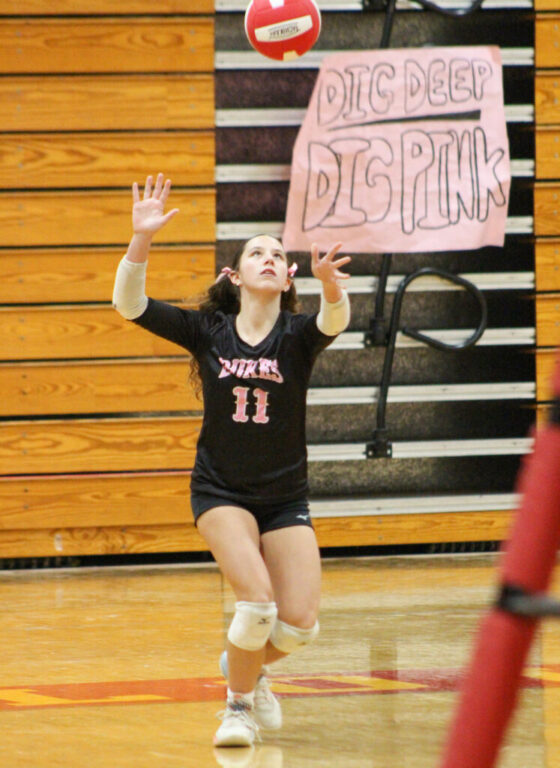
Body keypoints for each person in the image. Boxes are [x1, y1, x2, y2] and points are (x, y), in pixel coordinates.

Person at [113, 173, 351, 748]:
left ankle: (245, 665)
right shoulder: (208, 329)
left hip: (285, 496)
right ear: (235, 274)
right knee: (257, 605)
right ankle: (238, 706)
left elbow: (334, 321)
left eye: (278, 254)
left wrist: (330, 285)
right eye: (255, 253)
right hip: (221, 492)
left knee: (297, 626)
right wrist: (141, 239)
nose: (268, 258)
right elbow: (130, 305)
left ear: (288, 275)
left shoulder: (296, 335)